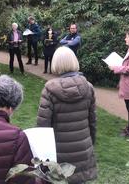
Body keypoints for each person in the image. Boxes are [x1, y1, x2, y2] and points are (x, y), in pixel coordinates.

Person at [37, 46, 97, 184]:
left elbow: (42, 126)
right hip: (83, 148)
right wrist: (90, 144)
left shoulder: (49, 89)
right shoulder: (88, 87)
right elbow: (93, 122)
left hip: (58, 150)